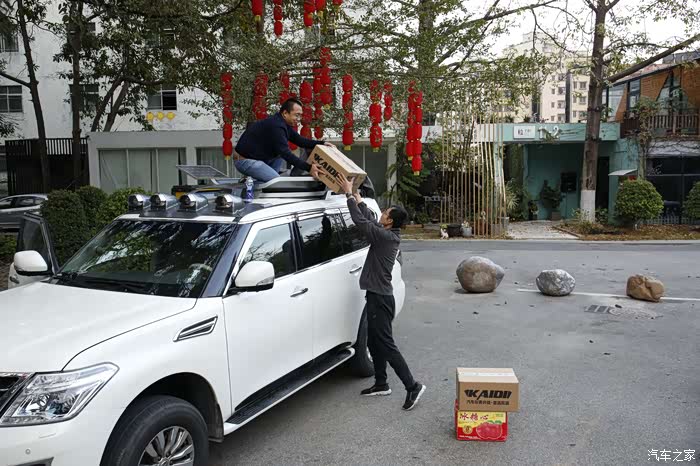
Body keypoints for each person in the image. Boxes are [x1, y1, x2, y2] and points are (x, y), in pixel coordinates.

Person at [338, 173, 426, 411]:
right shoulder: (387, 233)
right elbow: (369, 219)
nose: (382, 214)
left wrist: (348, 195)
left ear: (389, 222)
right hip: (377, 296)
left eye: (385, 213)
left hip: (381, 298)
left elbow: (363, 223)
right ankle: (381, 383)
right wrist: (358, 199)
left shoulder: (385, 238)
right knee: (374, 341)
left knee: (386, 344)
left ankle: (412, 386)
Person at [234, 98, 335, 182]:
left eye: (300, 115)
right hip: (245, 161)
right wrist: (309, 168)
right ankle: (250, 184)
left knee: (279, 158)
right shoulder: (276, 126)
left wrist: (323, 143)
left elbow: (300, 141)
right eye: (296, 115)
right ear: (285, 113)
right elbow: (285, 153)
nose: (299, 118)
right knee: (276, 182)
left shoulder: (283, 124)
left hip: (262, 159)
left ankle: (261, 179)